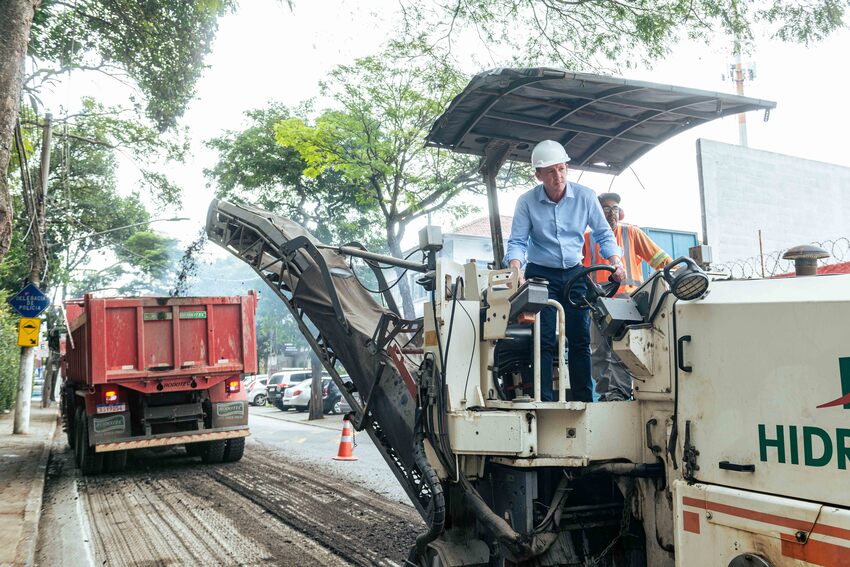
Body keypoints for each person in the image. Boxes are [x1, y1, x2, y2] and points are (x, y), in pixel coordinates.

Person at [504, 140, 623, 402]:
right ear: (538, 175)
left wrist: (615, 260)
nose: (557, 177)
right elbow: (517, 242)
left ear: (566, 168)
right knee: (543, 339)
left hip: (575, 274)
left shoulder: (586, 196)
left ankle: (584, 402)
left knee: (580, 339)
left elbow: (603, 234)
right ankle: (545, 401)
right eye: (550, 172)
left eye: (561, 169)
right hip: (540, 275)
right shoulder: (526, 202)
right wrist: (515, 269)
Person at [583, 192, 672, 401]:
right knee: (599, 351)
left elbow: (661, 259)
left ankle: (620, 394)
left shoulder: (631, 233)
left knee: (622, 348)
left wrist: (677, 274)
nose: (610, 213)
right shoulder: (586, 239)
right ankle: (607, 394)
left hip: (626, 300)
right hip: (598, 302)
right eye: (605, 209)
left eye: (614, 209)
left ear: (620, 213)